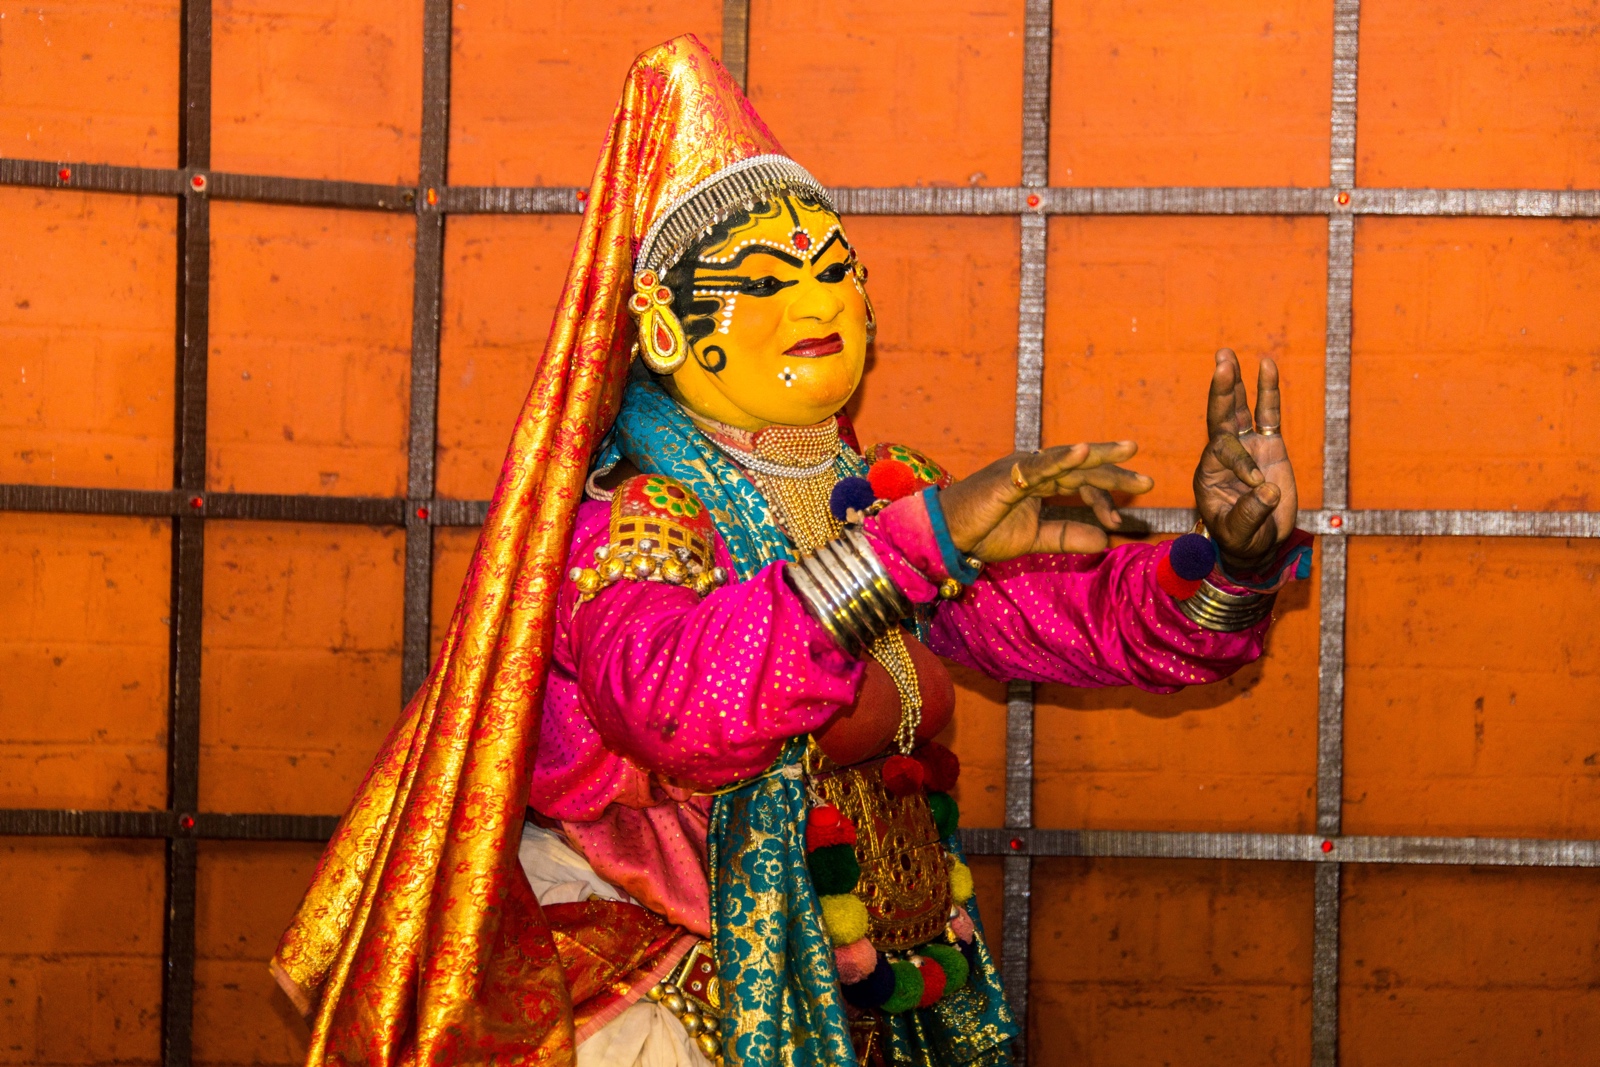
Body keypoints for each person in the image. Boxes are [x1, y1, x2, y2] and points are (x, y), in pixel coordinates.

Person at [272, 34, 1312, 1067]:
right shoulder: (634, 509)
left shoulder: (871, 486)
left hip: (855, 968)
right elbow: (683, 707)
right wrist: (909, 549)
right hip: (660, 978)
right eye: (762, 282)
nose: (818, 302)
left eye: (833, 270)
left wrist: (1233, 562)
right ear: (669, 336)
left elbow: (1056, 619)